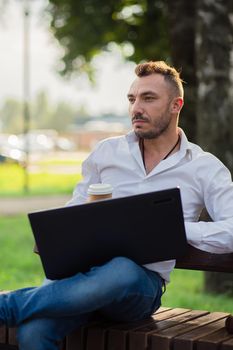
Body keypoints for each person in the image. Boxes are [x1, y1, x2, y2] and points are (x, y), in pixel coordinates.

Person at [1, 61, 233, 349]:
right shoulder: (107, 152)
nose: (137, 108)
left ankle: (6, 307)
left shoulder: (203, 167)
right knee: (34, 332)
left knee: (122, 268)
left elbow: (231, 231)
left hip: (138, 287)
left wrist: (174, 230)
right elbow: (74, 210)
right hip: (81, 276)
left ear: (176, 105)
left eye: (148, 98)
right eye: (132, 99)